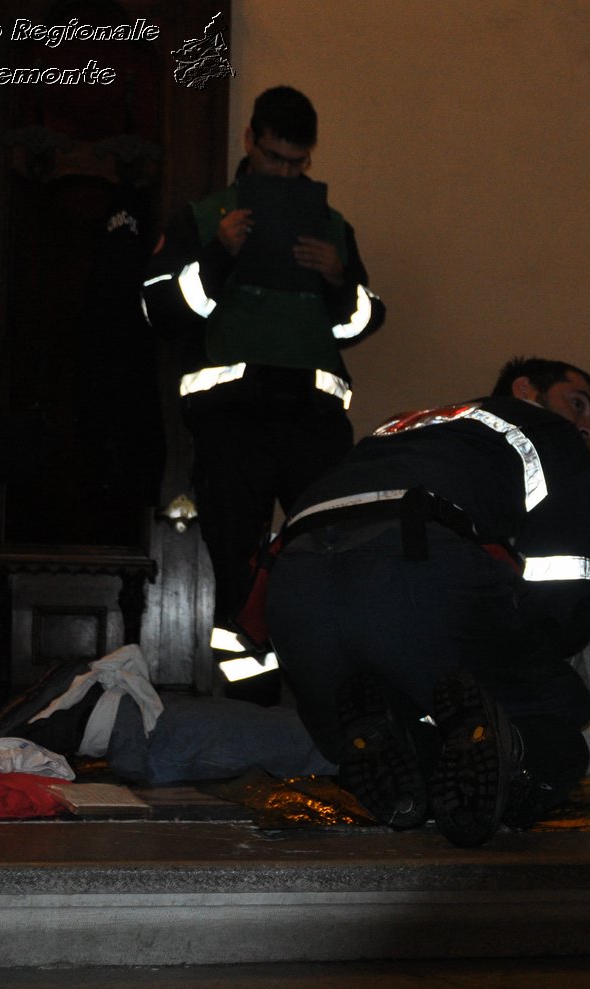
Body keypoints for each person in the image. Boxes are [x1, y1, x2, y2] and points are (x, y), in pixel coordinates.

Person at [264, 357, 590, 847]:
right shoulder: (547, 432)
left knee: (410, 692)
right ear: (525, 389)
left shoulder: (400, 425)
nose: (587, 424)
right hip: (409, 566)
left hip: (294, 593)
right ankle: (511, 759)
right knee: (559, 711)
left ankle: (399, 743)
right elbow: (562, 588)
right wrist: (537, 658)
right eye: (580, 403)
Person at [140, 85, 385, 670]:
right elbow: (161, 313)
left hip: (314, 421)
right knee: (236, 565)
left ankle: (318, 693)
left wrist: (337, 280)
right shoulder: (203, 218)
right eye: (275, 158)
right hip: (233, 420)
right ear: (249, 141)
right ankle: (251, 697)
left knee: (329, 555)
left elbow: (363, 320)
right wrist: (219, 256)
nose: (284, 172)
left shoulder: (330, 225)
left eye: (298, 163)